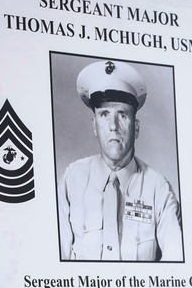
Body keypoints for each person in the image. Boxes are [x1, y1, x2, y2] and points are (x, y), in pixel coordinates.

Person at [58, 60, 182, 262]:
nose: (113, 126)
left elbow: (176, 261)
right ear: (94, 126)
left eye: (122, 115)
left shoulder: (159, 189)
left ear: (136, 127)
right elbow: (56, 260)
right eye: (104, 114)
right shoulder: (71, 180)